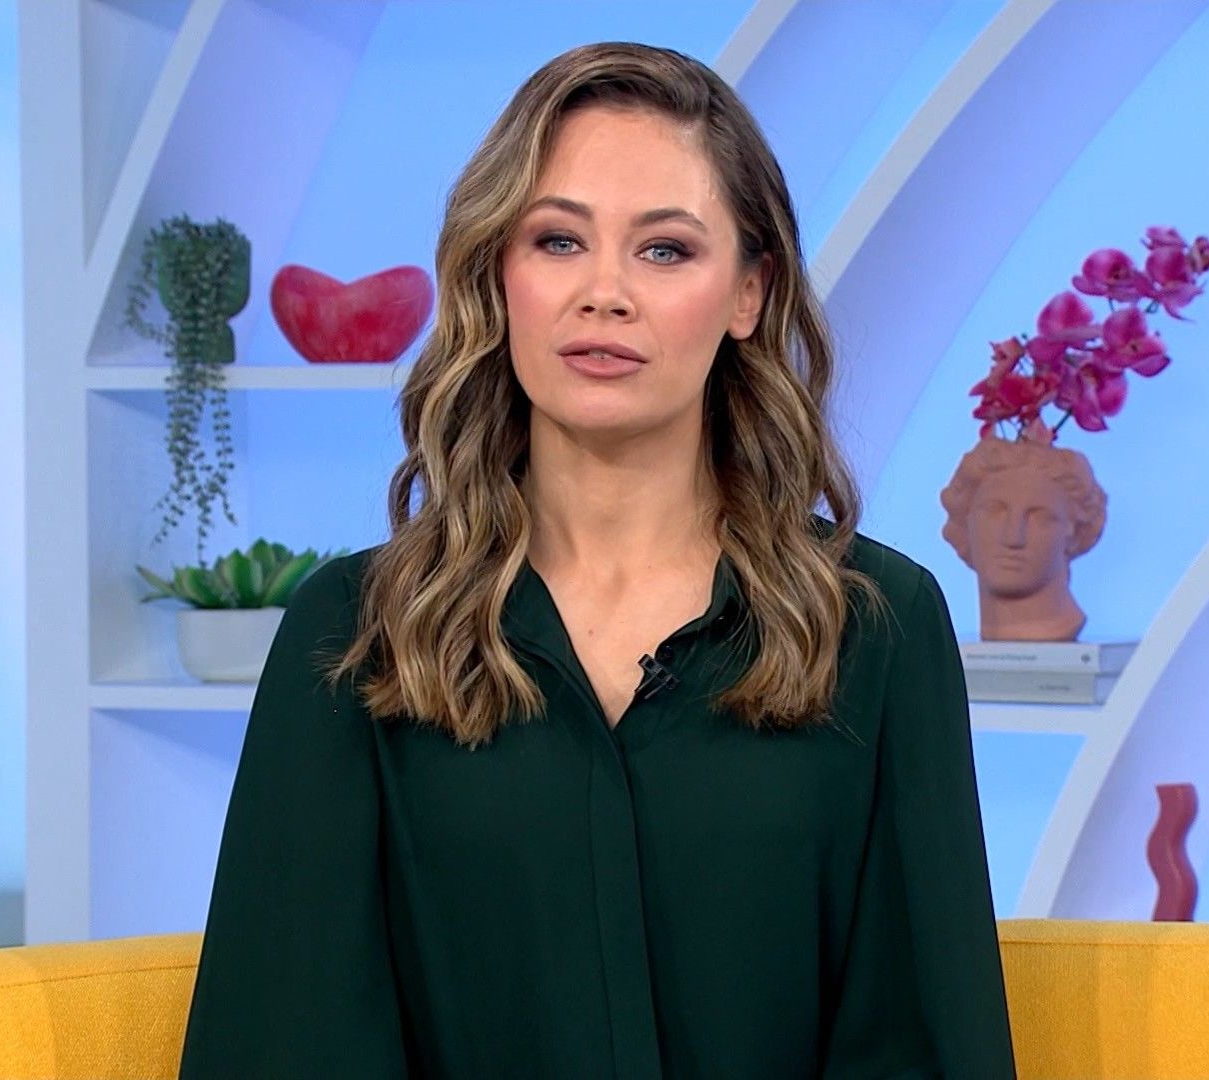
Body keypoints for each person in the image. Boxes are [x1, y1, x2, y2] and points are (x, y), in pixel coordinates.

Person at [178, 41, 1015, 1079]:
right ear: (499, 275)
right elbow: (285, 1039)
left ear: (749, 294)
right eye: (558, 240)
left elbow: (924, 1041)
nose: (605, 292)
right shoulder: (355, 631)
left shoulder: (877, 624)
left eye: (664, 250)